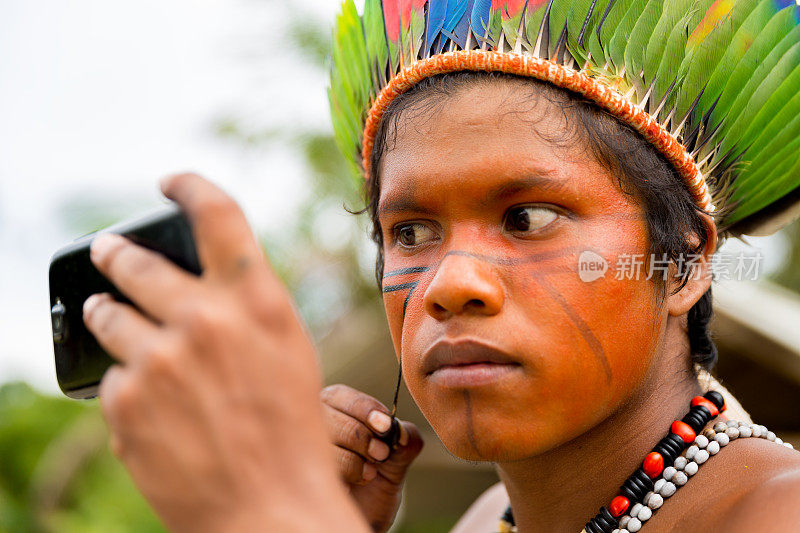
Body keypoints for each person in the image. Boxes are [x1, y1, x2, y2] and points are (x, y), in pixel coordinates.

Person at [82, 1, 800, 531]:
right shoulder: (487, 519)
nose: (451, 284)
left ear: (680, 264)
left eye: (528, 217)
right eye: (412, 230)